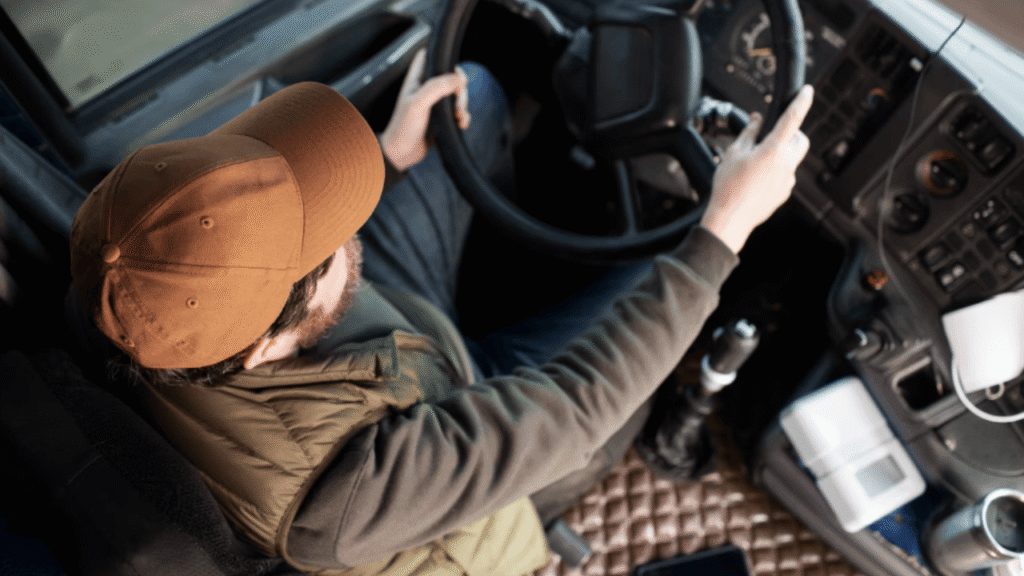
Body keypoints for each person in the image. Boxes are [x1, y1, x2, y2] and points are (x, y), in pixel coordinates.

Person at [68, 46, 813, 575]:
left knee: (472, 100)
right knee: (660, 304)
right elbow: (578, 403)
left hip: (391, 354)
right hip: (466, 464)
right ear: (269, 344)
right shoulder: (339, 500)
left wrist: (387, 161)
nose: (348, 225)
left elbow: (267, 274)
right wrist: (724, 228)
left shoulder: (124, 279)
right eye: (328, 236)